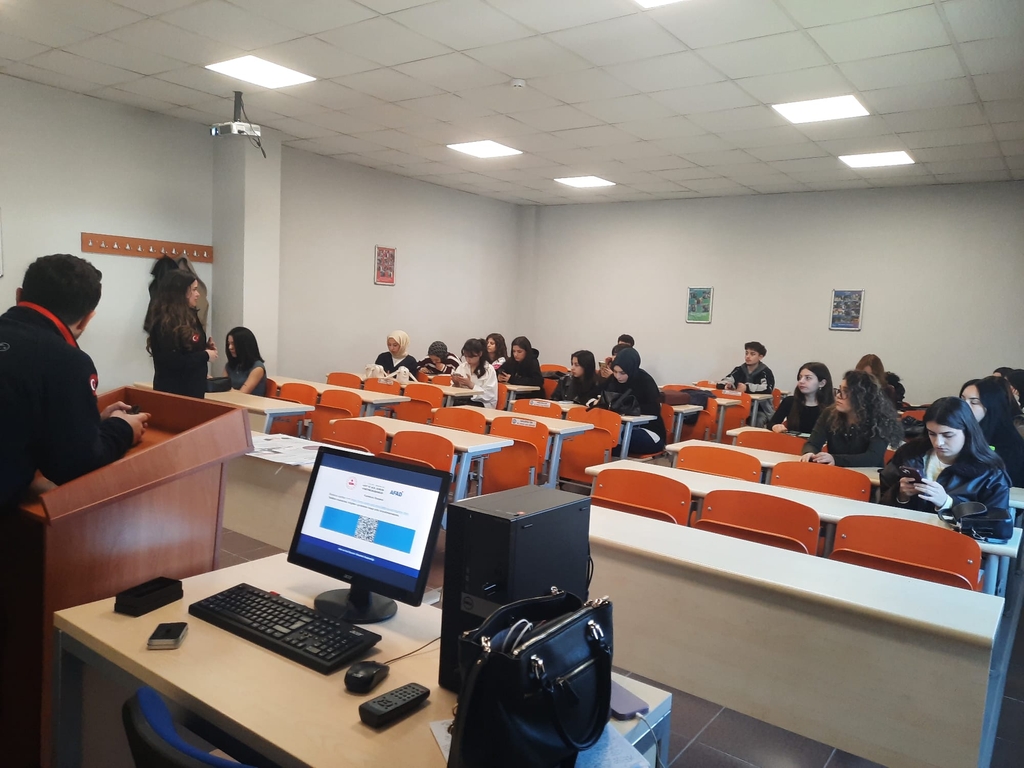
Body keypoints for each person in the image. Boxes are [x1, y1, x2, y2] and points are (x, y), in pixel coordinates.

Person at [1, 254, 149, 507]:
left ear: (19, 295)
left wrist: (91, 423)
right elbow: (75, 465)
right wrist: (123, 428)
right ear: (87, 319)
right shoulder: (66, 361)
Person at [880, 398, 1010, 514]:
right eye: (932, 434)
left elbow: (996, 523)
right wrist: (900, 496)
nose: (938, 443)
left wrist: (947, 503)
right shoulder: (909, 453)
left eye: (948, 435)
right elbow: (881, 498)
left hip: (954, 533)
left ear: (967, 431)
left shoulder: (990, 472)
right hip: (907, 528)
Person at [801, 370, 903, 467]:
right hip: (836, 472)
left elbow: (872, 457)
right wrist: (810, 453)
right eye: (839, 390)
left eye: (845, 392)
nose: (838, 396)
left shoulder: (880, 420)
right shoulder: (829, 413)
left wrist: (835, 459)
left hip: (867, 475)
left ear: (861, 397)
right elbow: (812, 443)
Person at [147, 270, 216, 399]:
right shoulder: (163, 323)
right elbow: (172, 362)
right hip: (174, 394)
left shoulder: (191, 316)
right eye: (194, 290)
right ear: (181, 293)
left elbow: (188, 349)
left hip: (195, 391)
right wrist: (205, 355)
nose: (198, 294)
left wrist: (204, 347)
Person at [959, 377, 1024, 487]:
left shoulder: (1008, 442)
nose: (964, 406)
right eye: (962, 400)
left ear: (991, 406)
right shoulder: (959, 431)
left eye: (974, 402)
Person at [603, 347, 665, 457]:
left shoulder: (645, 381)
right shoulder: (613, 380)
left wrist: (625, 409)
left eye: (622, 373)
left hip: (648, 431)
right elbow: (601, 396)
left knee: (623, 436)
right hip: (621, 427)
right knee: (603, 433)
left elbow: (653, 410)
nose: (618, 376)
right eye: (615, 372)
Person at [769, 362, 834, 434]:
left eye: (808, 378)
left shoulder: (832, 408)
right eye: (800, 377)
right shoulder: (789, 401)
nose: (801, 381)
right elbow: (771, 423)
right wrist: (775, 427)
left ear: (822, 383)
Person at [721, 341, 775, 426]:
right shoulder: (739, 369)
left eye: (752, 354)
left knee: (758, 420)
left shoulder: (765, 372)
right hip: (740, 406)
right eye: (746, 353)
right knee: (725, 415)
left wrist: (747, 388)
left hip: (760, 409)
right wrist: (727, 385)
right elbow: (726, 380)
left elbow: (767, 388)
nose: (748, 356)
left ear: (760, 357)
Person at [452, 338, 498, 409]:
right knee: (448, 403)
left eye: (471, 356)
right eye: (466, 356)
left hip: (483, 403)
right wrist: (456, 384)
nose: (468, 359)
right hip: (464, 399)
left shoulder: (489, 369)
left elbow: (489, 395)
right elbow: (455, 392)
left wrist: (470, 384)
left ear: (480, 354)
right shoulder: (462, 366)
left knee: (463, 407)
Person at [224, 326, 267, 396]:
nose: (230, 347)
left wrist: (219, 386)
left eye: (233, 344)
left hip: (250, 402)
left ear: (244, 345)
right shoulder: (230, 365)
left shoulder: (257, 368)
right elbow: (223, 384)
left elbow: (242, 394)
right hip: (231, 400)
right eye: (229, 344)